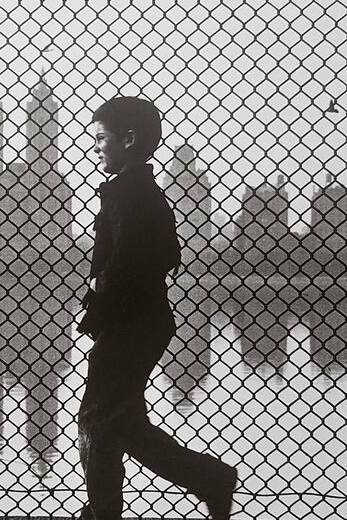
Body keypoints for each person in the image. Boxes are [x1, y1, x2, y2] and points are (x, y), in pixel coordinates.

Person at [76, 96, 239, 520]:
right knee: (121, 422)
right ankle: (207, 479)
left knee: (97, 420)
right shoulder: (142, 191)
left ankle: (104, 513)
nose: (96, 148)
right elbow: (165, 253)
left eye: (102, 139)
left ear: (129, 140)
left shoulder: (128, 193)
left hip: (130, 323)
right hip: (145, 322)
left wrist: (101, 303)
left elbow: (124, 261)